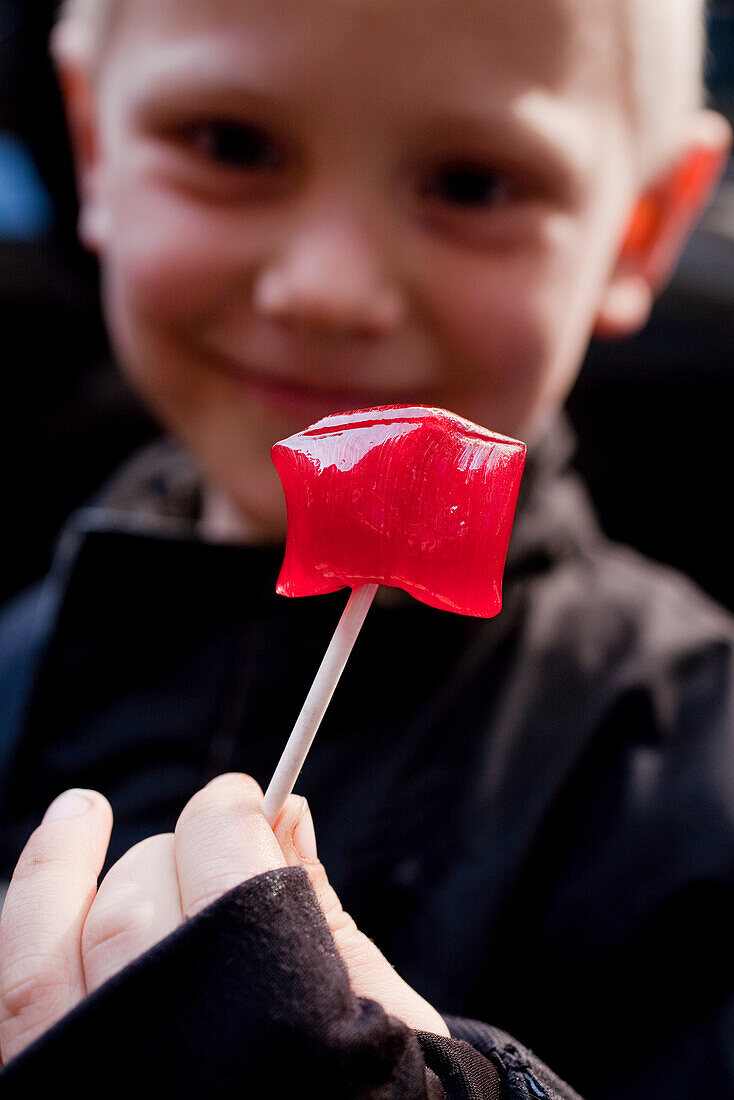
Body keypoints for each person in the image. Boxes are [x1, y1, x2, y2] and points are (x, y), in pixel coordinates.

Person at [0, 0, 732, 1095]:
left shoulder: (686, 757)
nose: (328, 290)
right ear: (94, 142)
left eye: (472, 183)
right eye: (230, 145)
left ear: (637, 226)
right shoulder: (14, 657)